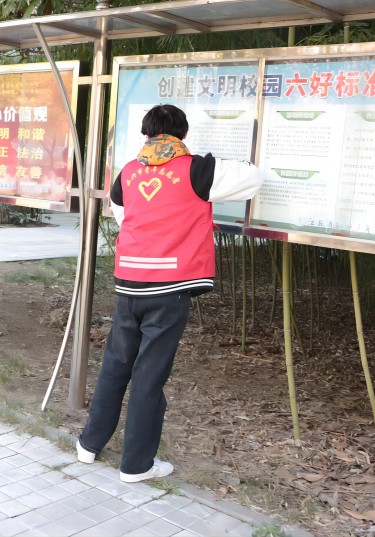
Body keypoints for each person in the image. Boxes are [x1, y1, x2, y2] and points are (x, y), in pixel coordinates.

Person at [76, 104, 263, 482]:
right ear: (183, 134)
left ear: (147, 133)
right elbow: (252, 178)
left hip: (129, 282)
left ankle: (89, 444)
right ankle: (136, 465)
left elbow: (123, 214)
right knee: (148, 374)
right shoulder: (197, 169)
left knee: (115, 364)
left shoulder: (129, 171)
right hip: (169, 289)